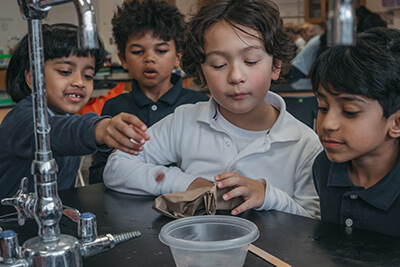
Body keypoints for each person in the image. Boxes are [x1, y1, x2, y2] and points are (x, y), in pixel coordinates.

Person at [103, 0, 322, 218]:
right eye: (219, 65)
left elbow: (314, 221)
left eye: (251, 61)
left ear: (276, 66)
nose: (236, 76)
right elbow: (117, 167)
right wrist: (189, 183)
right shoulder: (184, 121)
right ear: (201, 75)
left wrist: (268, 196)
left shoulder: (303, 144)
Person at [0, 24, 148, 198]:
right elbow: (52, 132)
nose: (79, 82)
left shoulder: (67, 118)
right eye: (65, 71)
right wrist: (98, 129)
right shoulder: (20, 120)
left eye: (88, 76)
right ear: (33, 78)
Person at [88, 0, 209, 184]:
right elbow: (97, 176)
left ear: (177, 57)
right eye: (137, 51)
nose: (149, 58)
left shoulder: (199, 104)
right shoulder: (115, 108)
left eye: (160, 50)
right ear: (123, 59)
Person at [311, 27, 400, 237]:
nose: (328, 124)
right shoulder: (324, 166)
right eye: (323, 107)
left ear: (396, 124)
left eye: (350, 112)